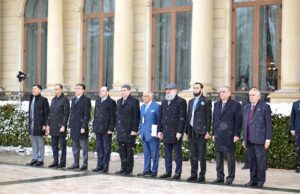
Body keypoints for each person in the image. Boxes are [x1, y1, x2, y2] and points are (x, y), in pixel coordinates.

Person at [212, 86, 242, 185]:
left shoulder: (235, 105)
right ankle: (220, 177)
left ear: (229, 93)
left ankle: (230, 178)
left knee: (230, 158)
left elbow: (238, 121)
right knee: (219, 158)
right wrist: (213, 133)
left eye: (224, 92)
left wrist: (236, 134)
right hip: (218, 135)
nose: (221, 93)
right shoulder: (216, 104)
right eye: (220, 92)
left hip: (230, 135)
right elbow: (215, 120)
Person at [242, 88, 272, 188]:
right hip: (249, 139)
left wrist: (268, 139)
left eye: (253, 95)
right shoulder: (246, 107)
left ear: (258, 96)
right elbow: (245, 124)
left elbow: (268, 124)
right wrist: (244, 138)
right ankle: (253, 180)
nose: (251, 97)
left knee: (260, 160)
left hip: (260, 139)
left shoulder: (265, 107)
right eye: (250, 95)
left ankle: (260, 180)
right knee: (252, 160)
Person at [158, 83, 187, 180]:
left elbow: (182, 118)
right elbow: (161, 117)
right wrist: (160, 130)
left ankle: (177, 173)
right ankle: (168, 171)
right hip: (166, 132)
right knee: (167, 154)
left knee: (177, 154)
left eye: (170, 89)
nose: (167, 91)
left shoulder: (181, 101)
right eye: (166, 89)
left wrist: (180, 131)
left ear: (176, 90)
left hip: (175, 133)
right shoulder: (164, 101)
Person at [185, 82, 211, 182]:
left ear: (201, 89)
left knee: (201, 155)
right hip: (191, 131)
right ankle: (193, 174)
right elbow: (188, 116)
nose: (195, 90)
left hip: (201, 131)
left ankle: (201, 175)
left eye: (197, 88)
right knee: (193, 155)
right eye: (194, 88)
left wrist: (208, 131)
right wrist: (186, 131)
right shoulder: (190, 101)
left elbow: (208, 117)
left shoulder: (206, 101)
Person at [115, 84, 140, 175]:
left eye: (124, 90)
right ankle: (123, 167)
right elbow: (117, 116)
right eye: (121, 90)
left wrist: (134, 129)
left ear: (129, 91)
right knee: (122, 151)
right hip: (120, 130)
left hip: (129, 130)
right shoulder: (118, 101)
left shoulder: (134, 101)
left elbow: (136, 117)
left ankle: (129, 169)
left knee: (129, 151)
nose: (122, 92)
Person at [92, 86, 116, 173]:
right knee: (99, 148)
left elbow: (113, 117)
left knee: (106, 149)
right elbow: (95, 115)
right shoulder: (98, 101)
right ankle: (99, 165)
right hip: (98, 128)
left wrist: (111, 128)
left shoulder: (111, 102)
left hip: (106, 129)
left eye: (103, 91)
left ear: (107, 92)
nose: (101, 92)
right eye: (100, 91)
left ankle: (105, 166)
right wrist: (94, 126)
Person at [67, 83, 91, 170]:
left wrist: (83, 126)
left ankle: (85, 164)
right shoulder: (73, 100)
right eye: (76, 88)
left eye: (79, 88)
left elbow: (86, 115)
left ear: (83, 90)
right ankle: (75, 163)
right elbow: (72, 113)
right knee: (75, 147)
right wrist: (70, 125)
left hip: (81, 127)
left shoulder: (86, 100)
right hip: (74, 127)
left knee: (84, 147)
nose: (77, 90)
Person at [137, 91, 160, 177]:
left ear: (151, 97)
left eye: (146, 96)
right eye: (143, 96)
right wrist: (140, 130)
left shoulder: (156, 106)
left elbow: (159, 120)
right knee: (146, 153)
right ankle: (146, 170)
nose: (144, 98)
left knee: (154, 154)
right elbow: (141, 120)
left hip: (153, 134)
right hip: (144, 133)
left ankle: (154, 171)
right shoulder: (142, 107)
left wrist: (158, 131)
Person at [47, 84, 70, 168]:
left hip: (61, 126)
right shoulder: (53, 99)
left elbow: (66, 114)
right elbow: (50, 113)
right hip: (53, 126)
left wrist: (64, 125)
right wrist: (48, 124)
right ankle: (55, 161)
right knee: (54, 145)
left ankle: (62, 162)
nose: (55, 91)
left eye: (57, 89)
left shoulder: (65, 100)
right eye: (54, 89)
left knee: (62, 145)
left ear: (61, 90)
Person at [26, 84, 49, 167]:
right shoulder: (31, 98)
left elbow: (46, 113)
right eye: (32, 89)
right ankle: (34, 158)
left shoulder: (43, 100)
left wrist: (45, 124)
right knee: (33, 142)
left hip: (39, 124)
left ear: (39, 90)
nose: (33, 90)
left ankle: (40, 159)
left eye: (35, 89)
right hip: (32, 123)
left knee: (40, 142)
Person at [290, 99, 300, 173]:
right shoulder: (295, 104)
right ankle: (298, 166)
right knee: (298, 149)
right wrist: (292, 128)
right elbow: (292, 117)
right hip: (298, 130)